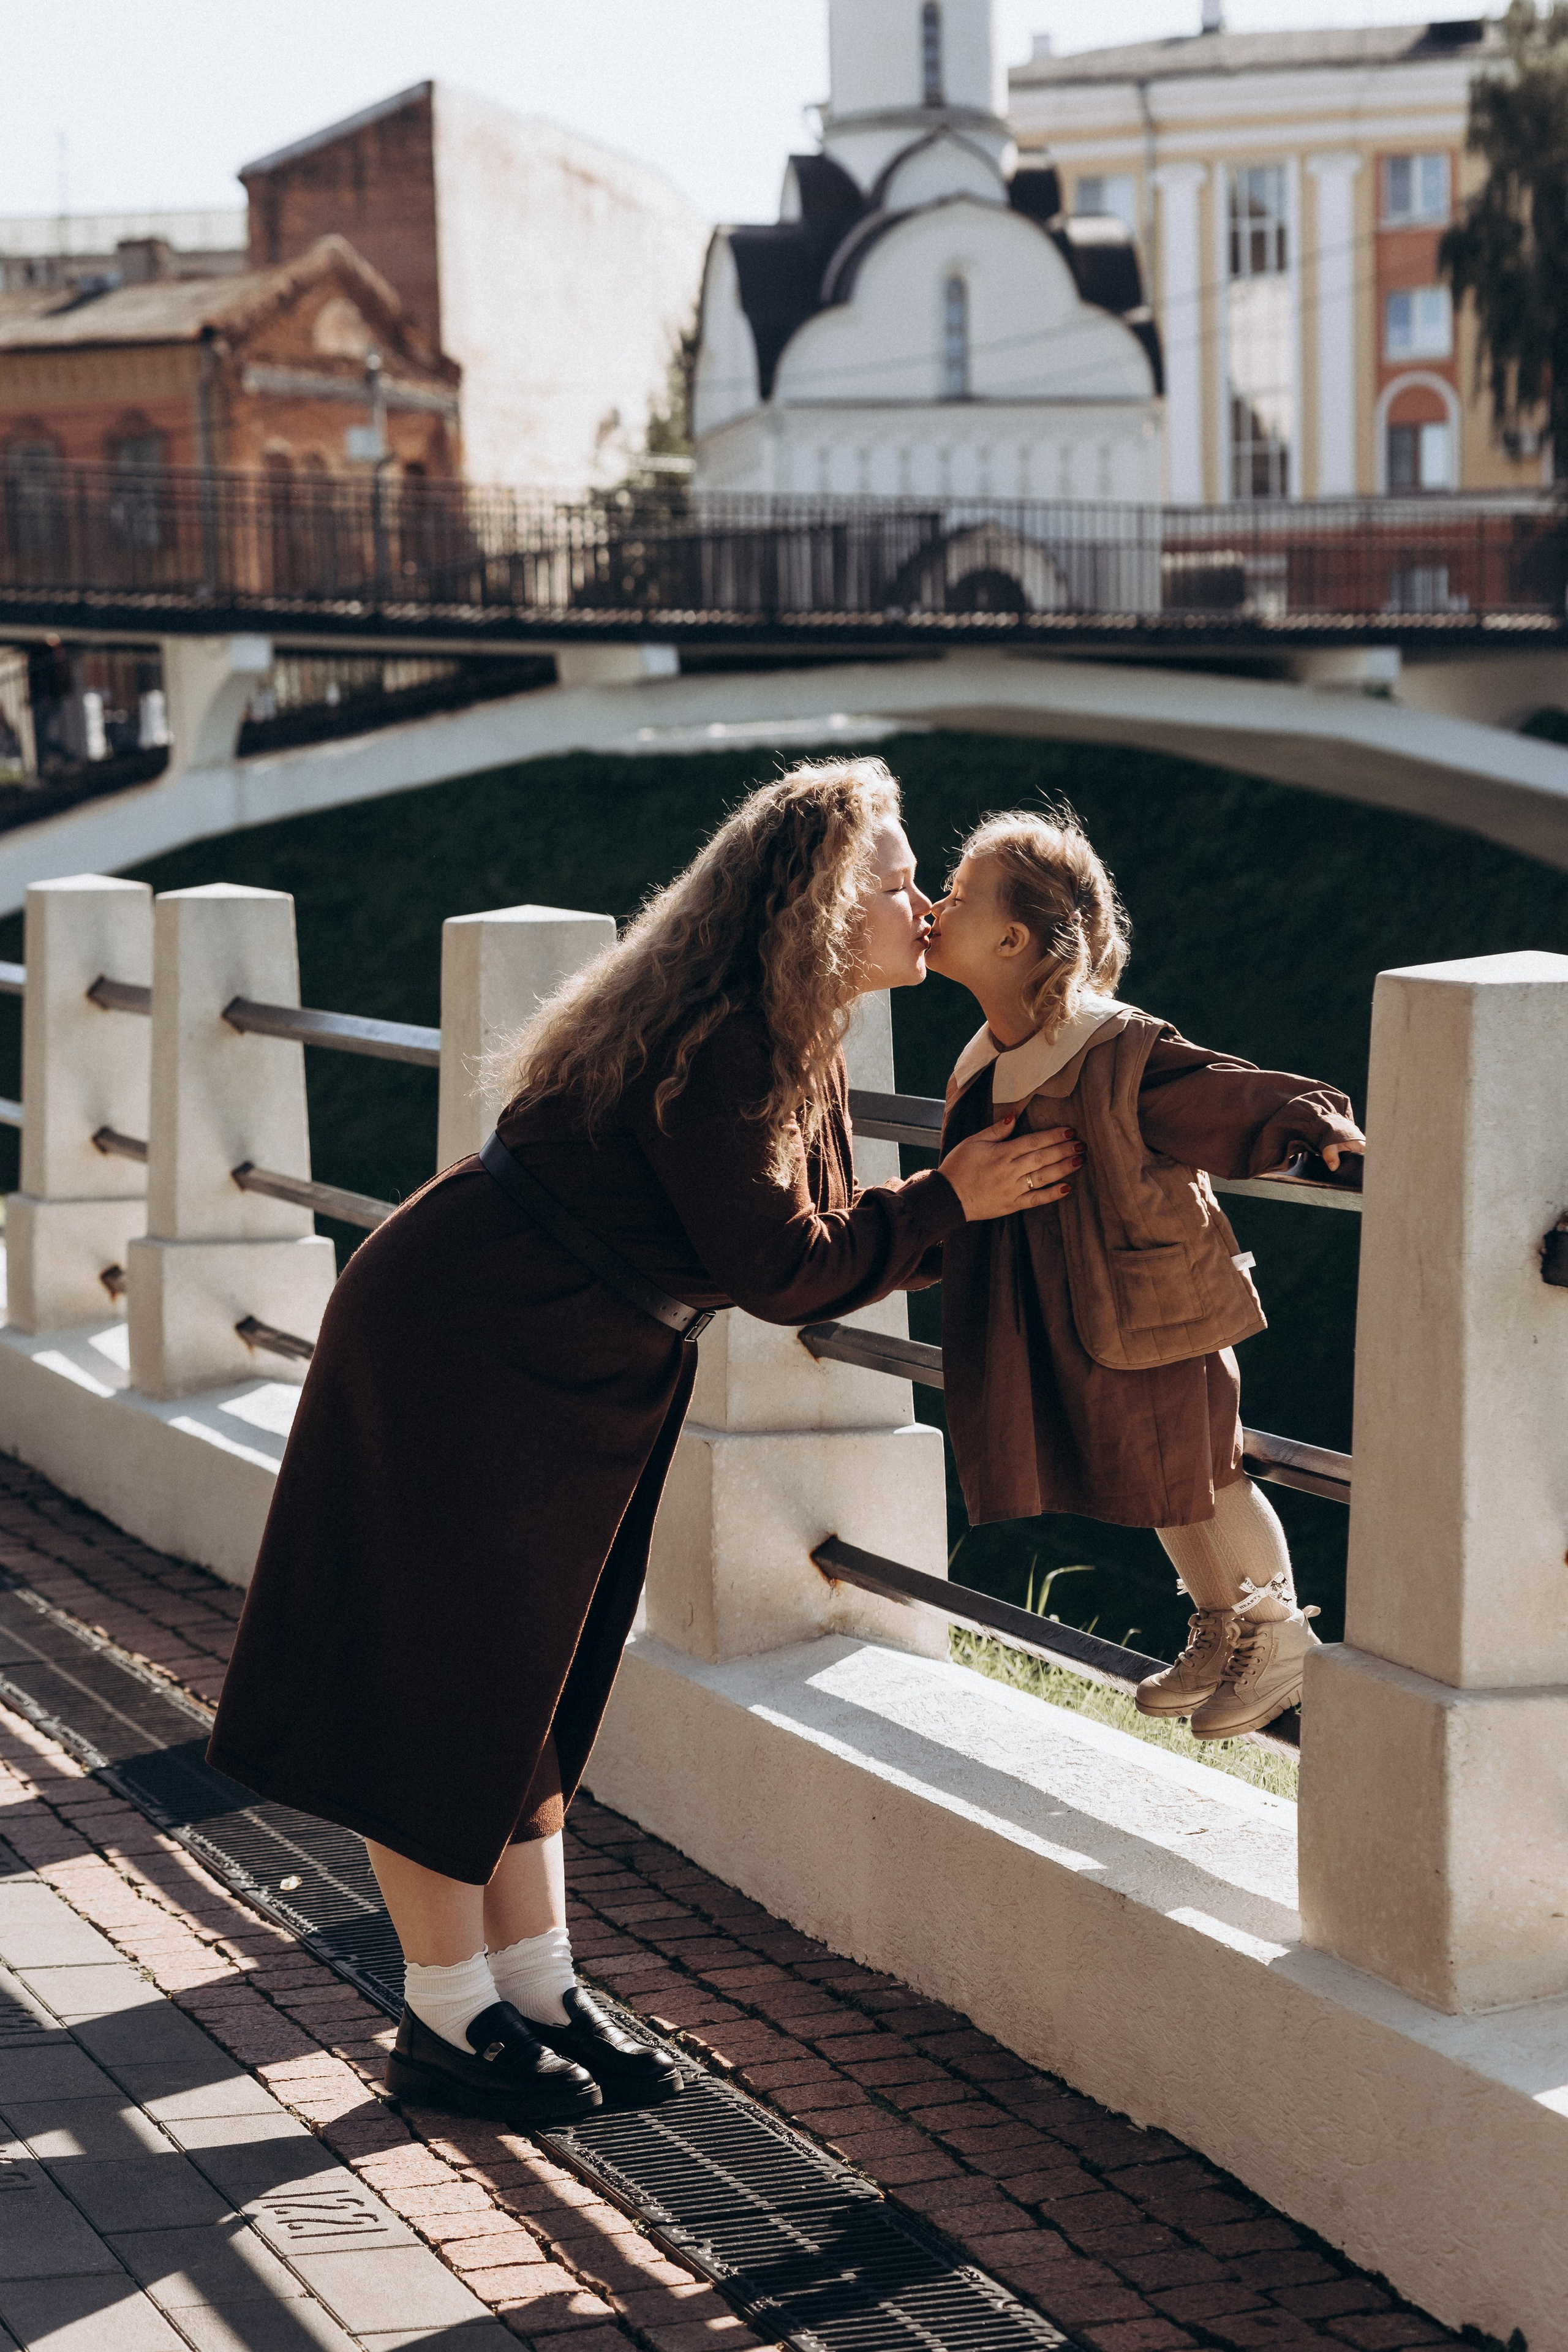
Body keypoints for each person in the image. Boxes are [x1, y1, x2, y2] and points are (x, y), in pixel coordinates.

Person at [208, 760, 1080, 2126]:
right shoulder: (732, 1043)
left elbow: (794, 1247)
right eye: (895, 879)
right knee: (445, 1680)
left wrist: (945, 1198)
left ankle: (537, 1987)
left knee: (530, 1681)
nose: (921, 902)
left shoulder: (778, 1032)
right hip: (466, 1347)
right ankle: (445, 2021)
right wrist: (950, 1200)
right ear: (816, 907)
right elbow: (786, 1269)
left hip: (548, 1353)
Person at [923, 805, 1365, 1741]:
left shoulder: (1114, 1046)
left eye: (955, 895)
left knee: (1205, 1470)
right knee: (1155, 1473)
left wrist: (1320, 1135)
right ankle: (1222, 1624)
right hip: (1079, 1305)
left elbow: (1230, 1097)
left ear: (1010, 938)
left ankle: (1277, 1634)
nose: (932, 904)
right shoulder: (990, 1057)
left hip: (1151, 1298)